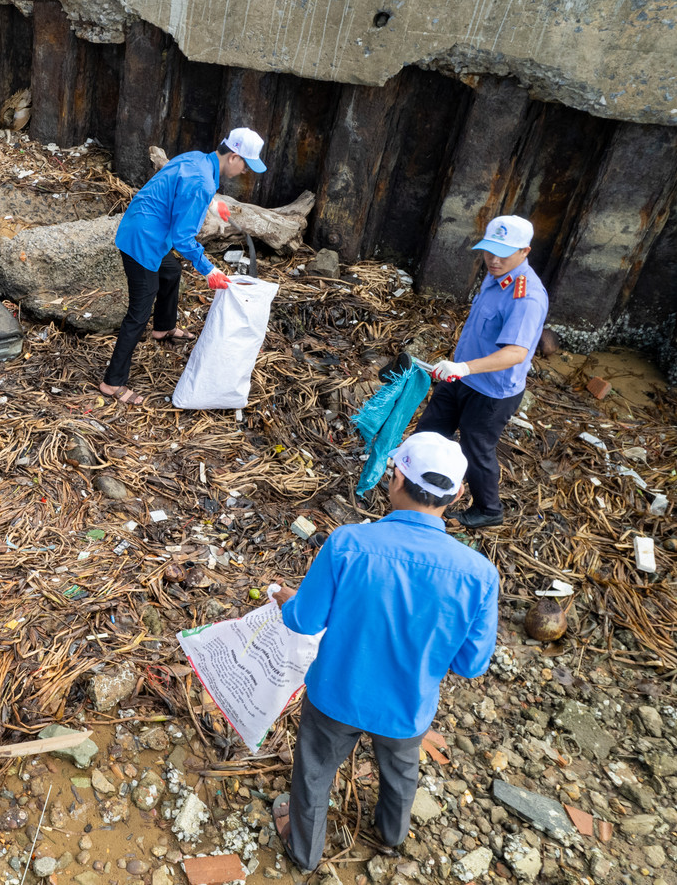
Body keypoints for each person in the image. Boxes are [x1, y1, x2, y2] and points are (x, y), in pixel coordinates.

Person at [270, 431, 498, 871]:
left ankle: (305, 852)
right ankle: (391, 835)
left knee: (315, 771)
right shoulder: (479, 575)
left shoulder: (348, 543)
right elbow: (471, 664)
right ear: (458, 496)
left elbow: (303, 621)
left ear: (395, 480)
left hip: (336, 693)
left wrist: (289, 601)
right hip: (407, 706)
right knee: (401, 771)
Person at [99, 128, 267, 405]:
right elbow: (183, 238)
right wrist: (209, 270)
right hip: (143, 240)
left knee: (171, 272)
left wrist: (213, 204)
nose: (245, 171)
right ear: (234, 157)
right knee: (139, 313)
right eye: (246, 165)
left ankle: (163, 327)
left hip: (147, 229)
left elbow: (182, 186)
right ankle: (112, 382)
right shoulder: (202, 181)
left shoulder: (198, 159)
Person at [415, 215, 549, 528]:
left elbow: (516, 353)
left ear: (525, 252)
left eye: (503, 254)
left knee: (476, 450)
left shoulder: (527, 297)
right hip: (460, 375)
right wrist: (459, 368)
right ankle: (416, 481)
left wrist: (463, 367)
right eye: (489, 251)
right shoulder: (495, 275)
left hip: (491, 390)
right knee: (430, 430)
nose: (493, 260)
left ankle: (489, 509)